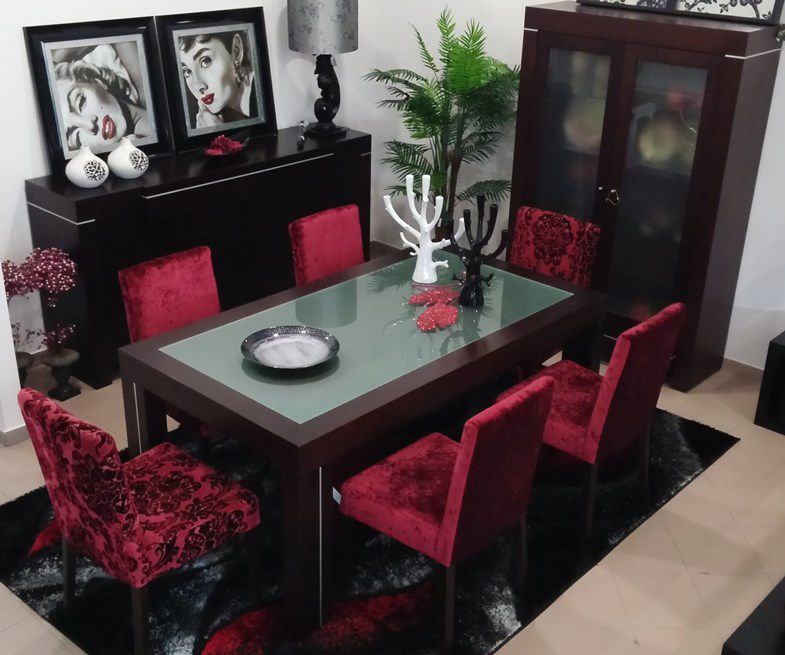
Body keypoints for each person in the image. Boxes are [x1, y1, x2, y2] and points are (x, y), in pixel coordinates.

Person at [54, 43, 153, 153]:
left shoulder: (151, 88)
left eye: (81, 103)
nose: (91, 126)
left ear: (95, 82)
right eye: (76, 136)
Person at [178, 31, 257, 129]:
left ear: (236, 51)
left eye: (206, 61)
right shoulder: (219, 115)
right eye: (187, 71)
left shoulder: (264, 94)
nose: (198, 85)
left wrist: (219, 131)